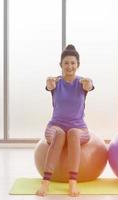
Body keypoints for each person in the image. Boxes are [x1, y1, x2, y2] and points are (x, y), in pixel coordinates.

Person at [36, 44, 94, 197]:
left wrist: (89, 84)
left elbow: (90, 85)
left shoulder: (82, 82)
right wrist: (49, 83)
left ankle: (72, 182)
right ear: (60, 65)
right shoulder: (56, 82)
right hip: (55, 127)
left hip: (79, 128)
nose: (70, 66)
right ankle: (45, 183)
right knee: (60, 135)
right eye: (66, 63)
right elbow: (49, 85)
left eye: (73, 63)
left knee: (73, 133)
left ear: (78, 65)